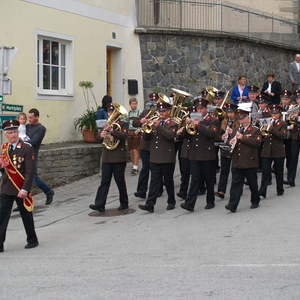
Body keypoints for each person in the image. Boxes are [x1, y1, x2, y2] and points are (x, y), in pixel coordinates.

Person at [0, 119, 39, 253]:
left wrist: (25, 189)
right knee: (1, 216)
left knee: (26, 215)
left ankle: (32, 240)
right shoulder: (4, 148)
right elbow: (3, 170)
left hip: (20, 187)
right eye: (10, 132)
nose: (13, 135)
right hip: (6, 187)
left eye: (15, 131)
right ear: (5, 134)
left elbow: (30, 171)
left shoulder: (26, 147)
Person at [139, 99, 178, 213]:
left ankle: (171, 201)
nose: (161, 113)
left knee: (168, 181)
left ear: (169, 111)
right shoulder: (154, 123)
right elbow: (147, 139)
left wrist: (159, 127)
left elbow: (171, 136)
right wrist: (146, 129)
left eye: (164, 111)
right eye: (160, 111)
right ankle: (150, 204)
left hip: (167, 157)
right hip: (155, 157)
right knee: (154, 182)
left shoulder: (172, 123)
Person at [180, 99, 218, 212]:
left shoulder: (213, 120)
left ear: (206, 109)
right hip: (194, 154)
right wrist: (186, 126)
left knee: (209, 179)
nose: (199, 110)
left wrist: (198, 124)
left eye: (202, 108)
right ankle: (189, 204)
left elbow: (212, 134)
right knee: (195, 180)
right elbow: (186, 136)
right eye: (198, 109)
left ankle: (210, 201)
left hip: (207, 154)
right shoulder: (193, 119)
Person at [89, 104, 129, 212]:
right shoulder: (105, 124)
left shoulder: (123, 124)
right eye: (109, 112)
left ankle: (124, 203)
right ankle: (99, 204)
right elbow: (98, 138)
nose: (111, 114)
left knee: (120, 181)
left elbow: (124, 137)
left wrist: (111, 131)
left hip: (118, 158)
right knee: (104, 182)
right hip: (107, 157)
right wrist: (100, 135)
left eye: (113, 112)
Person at [225, 103, 262, 213]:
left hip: (249, 162)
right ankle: (232, 205)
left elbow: (257, 143)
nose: (240, 120)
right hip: (237, 161)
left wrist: (243, 137)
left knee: (252, 184)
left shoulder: (255, 130)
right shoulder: (236, 129)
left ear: (248, 118)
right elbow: (231, 143)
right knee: (236, 184)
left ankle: (255, 200)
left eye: (243, 118)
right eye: (239, 118)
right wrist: (228, 139)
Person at [134, 93, 163, 199]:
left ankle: (158, 190)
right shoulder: (145, 112)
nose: (154, 103)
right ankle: (141, 190)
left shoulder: (161, 113)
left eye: (156, 101)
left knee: (156, 169)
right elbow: (135, 123)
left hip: (156, 145)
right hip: (145, 145)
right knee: (145, 168)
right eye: (152, 101)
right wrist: (141, 121)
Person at [26, 108, 54, 205]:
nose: (29, 119)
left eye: (31, 117)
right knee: (23, 179)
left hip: (32, 155)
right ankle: (24, 202)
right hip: (23, 154)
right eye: (28, 117)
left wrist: (22, 141)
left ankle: (49, 191)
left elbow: (34, 141)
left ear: (37, 117)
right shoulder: (26, 126)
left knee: (34, 178)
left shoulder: (41, 128)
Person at [259, 105, 287, 198]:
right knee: (265, 172)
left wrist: (272, 129)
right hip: (267, 151)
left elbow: (283, 136)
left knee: (279, 172)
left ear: (279, 114)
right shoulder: (267, 122)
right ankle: (262, 191)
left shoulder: (283, 123)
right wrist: (262, 132)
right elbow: (262, 135)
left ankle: (280, 189)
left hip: (278, 151)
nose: (274, 115)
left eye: (276, 113)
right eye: (273, 113)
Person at [215, 103, 239, 199]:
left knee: (235, 171)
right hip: (225, 148)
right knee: (224, 171)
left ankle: (235, 191)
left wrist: (232, 132)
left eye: (231, 112)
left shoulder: (239, 122)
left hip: (235, 149)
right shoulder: (224, 121)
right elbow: (219, 134)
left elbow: (241, 133)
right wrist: (222, 136)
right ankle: (221, 191)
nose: (230, 115)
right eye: (228, 112)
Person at [285, 89, 300, 186]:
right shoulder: (294, 108)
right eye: (298, 98)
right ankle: (291, 180)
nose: (299, 100)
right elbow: (288, 120)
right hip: (295, 136)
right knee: (293, 158)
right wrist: (290, 119)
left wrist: (297, 118)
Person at [127, 97, 141, 175]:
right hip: (129, 132)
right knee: (131, 150)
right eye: (133, 104)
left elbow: (142, 123)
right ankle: (133, 165)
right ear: (130, 104)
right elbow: (126, 124)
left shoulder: (139, 112)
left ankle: (135, 167)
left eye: (135, 103)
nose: (134, 105)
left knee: (136, 150)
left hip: (136, 132)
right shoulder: (128, 113)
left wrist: (138, 130)